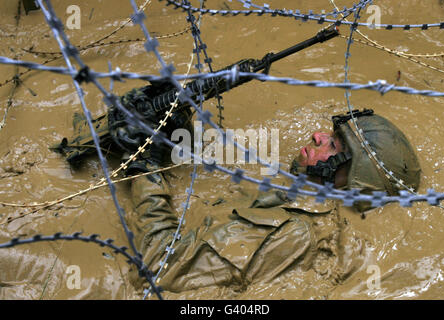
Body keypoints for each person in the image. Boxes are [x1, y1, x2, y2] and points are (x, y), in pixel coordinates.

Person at [106, 87, 421, 295]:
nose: (317, 136)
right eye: (330, 133)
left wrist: (144, 164)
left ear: (352, 178)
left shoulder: (291, 230)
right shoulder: (306, 200)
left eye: (334, 144)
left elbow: (159, 266)